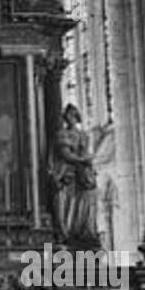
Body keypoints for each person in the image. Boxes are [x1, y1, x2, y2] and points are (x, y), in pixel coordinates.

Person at [48, 104, 99, 246]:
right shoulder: (62, 134)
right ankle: (66, 233)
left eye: (73, 115)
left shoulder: (83, 135)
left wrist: (86, 161)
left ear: (77, 117)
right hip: (66, 174)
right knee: (65, 204)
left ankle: (84, 232)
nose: (71, 118)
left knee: (86, 201)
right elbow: (66, 155)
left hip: (81, 176)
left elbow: (84, 151)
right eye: (68, 116)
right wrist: (82, 160)